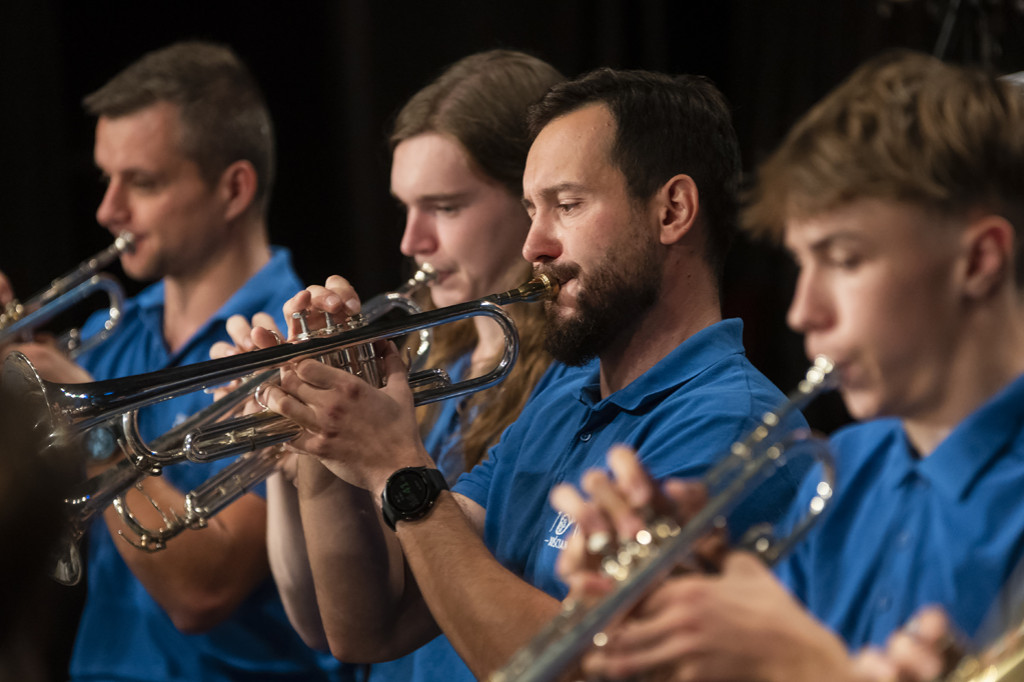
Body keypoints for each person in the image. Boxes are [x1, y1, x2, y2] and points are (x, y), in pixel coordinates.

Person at [252, 67, 809, 681]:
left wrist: (396, 467)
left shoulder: (734, 426)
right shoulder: (565, 402)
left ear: (672, 210)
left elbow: (573, 670)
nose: (533, 246)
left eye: (566, 205)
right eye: (530, 210)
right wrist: (322, 429)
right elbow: (368, 626)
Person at [549, 49, 1024, 681]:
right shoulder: (850, 467)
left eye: (846, 258)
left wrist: (807, 666)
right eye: (803, 263)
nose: (803, 311)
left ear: (979, 261)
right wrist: (676, 603)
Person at [6, 41, 348, 681]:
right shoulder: (114, 332)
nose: (109, 210)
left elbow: (204, 591)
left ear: (233, 188)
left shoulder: (288, 343)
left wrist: (97, 426)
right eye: (107, 177)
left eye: (142, 182)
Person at [229, 49, 563, 681]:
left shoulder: (570, 382)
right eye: (407, 208)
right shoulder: (435, 358)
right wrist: (295, 448)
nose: (412, 241)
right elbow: (326, 623)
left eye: (445, 206)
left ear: (530, 198)